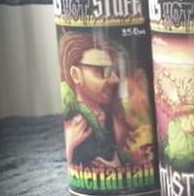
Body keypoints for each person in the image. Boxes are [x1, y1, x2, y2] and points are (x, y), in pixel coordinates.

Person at [59, 33, 143, 167]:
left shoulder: (115, 123)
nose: (115, 79)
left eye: (114, 71)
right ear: (76, 74)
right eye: (102, 71)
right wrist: (71, 144)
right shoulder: (71, 123)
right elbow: (72, 163)